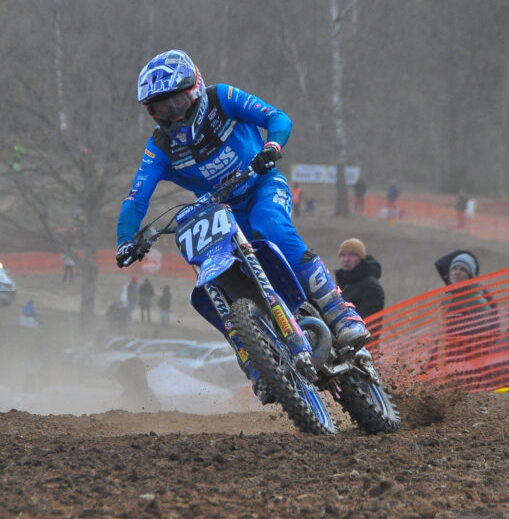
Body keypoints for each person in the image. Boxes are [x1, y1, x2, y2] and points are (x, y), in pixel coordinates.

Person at [114, 49, 370, 356]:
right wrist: (126, 240)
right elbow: (136, 198)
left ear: (195, 89)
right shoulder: (160, 146)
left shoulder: (222, 99)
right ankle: (257, 355)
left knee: (270, 226)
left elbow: (277, 117)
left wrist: (272, 146)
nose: (175, 114)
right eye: (163, 108)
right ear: (152, 112)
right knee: (217, 273)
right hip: (221, 213)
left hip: (262, 185)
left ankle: (340, 312)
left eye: (178, 102)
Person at [434, 250, 499, 388]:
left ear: (471, 275)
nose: (457, 273)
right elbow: (441, 336)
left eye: (462, 269)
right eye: (454, 269)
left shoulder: (478, 301)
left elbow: (486, 340)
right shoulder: (448, 299)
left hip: (469, 372)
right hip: (447, 366)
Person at [334, 238, 384, 319]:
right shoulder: (345, 284)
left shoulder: (371, 286)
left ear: (361, 258)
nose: (346, 259)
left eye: (352, 255)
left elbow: (368, 322)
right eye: (343, 255)